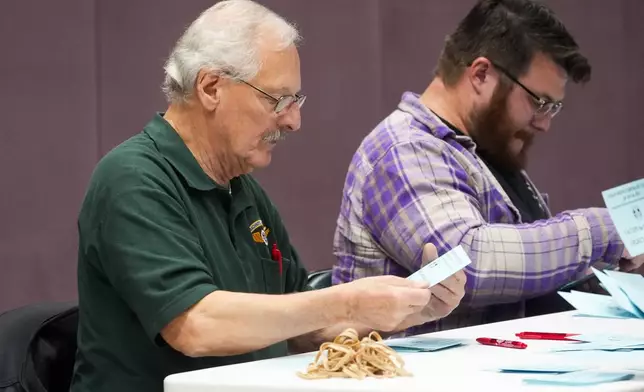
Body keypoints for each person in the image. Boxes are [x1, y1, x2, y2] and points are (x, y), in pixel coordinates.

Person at [69, 1, 465, 391]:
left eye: (296, 101)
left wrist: (406, 310)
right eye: (277, 100)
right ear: (210, 87)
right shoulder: (132, 179)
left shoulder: (243, 191)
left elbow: (299, 328)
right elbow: (196, 325)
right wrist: (348, 302)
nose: (293, 120)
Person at [332, 0, 644, 336]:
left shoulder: (482, 154)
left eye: (553, 108)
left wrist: (606, 274)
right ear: (481, 74)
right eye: (539, 102)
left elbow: (526, 288)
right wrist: (603, 232)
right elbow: (470, 263)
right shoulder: (404, 150)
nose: (544, 124)